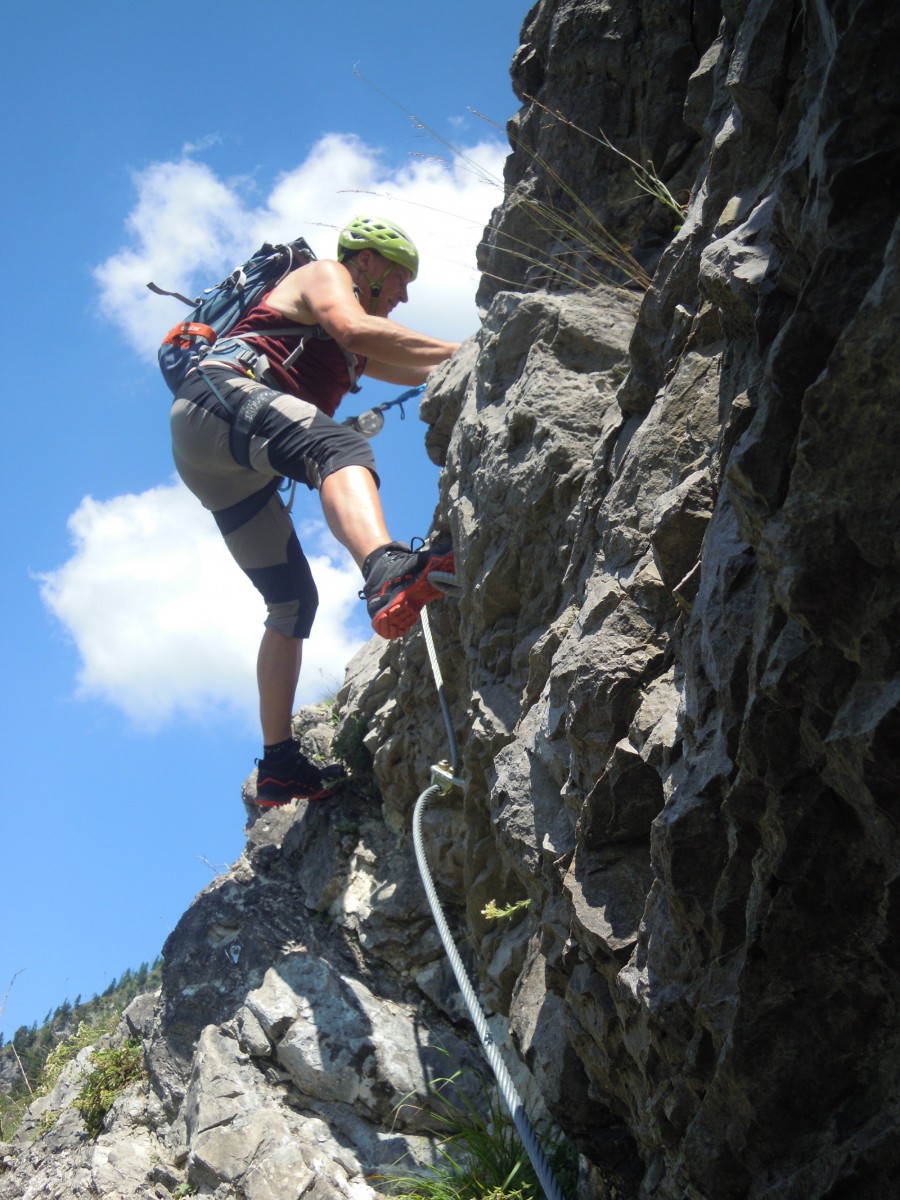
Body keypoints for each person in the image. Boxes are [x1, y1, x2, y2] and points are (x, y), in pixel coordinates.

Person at [169, 216, 459, 808]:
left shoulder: (355, 347)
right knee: (339, 447)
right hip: (218, 399)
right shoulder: (326, 276)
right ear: (369, 263)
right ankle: (385, 570)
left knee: (293, 602)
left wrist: (469, 357)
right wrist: (473, 345)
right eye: (401, 280)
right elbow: (356, 330)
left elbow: (416, 361)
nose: (403, 296)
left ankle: (279, 766)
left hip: (214, 460)